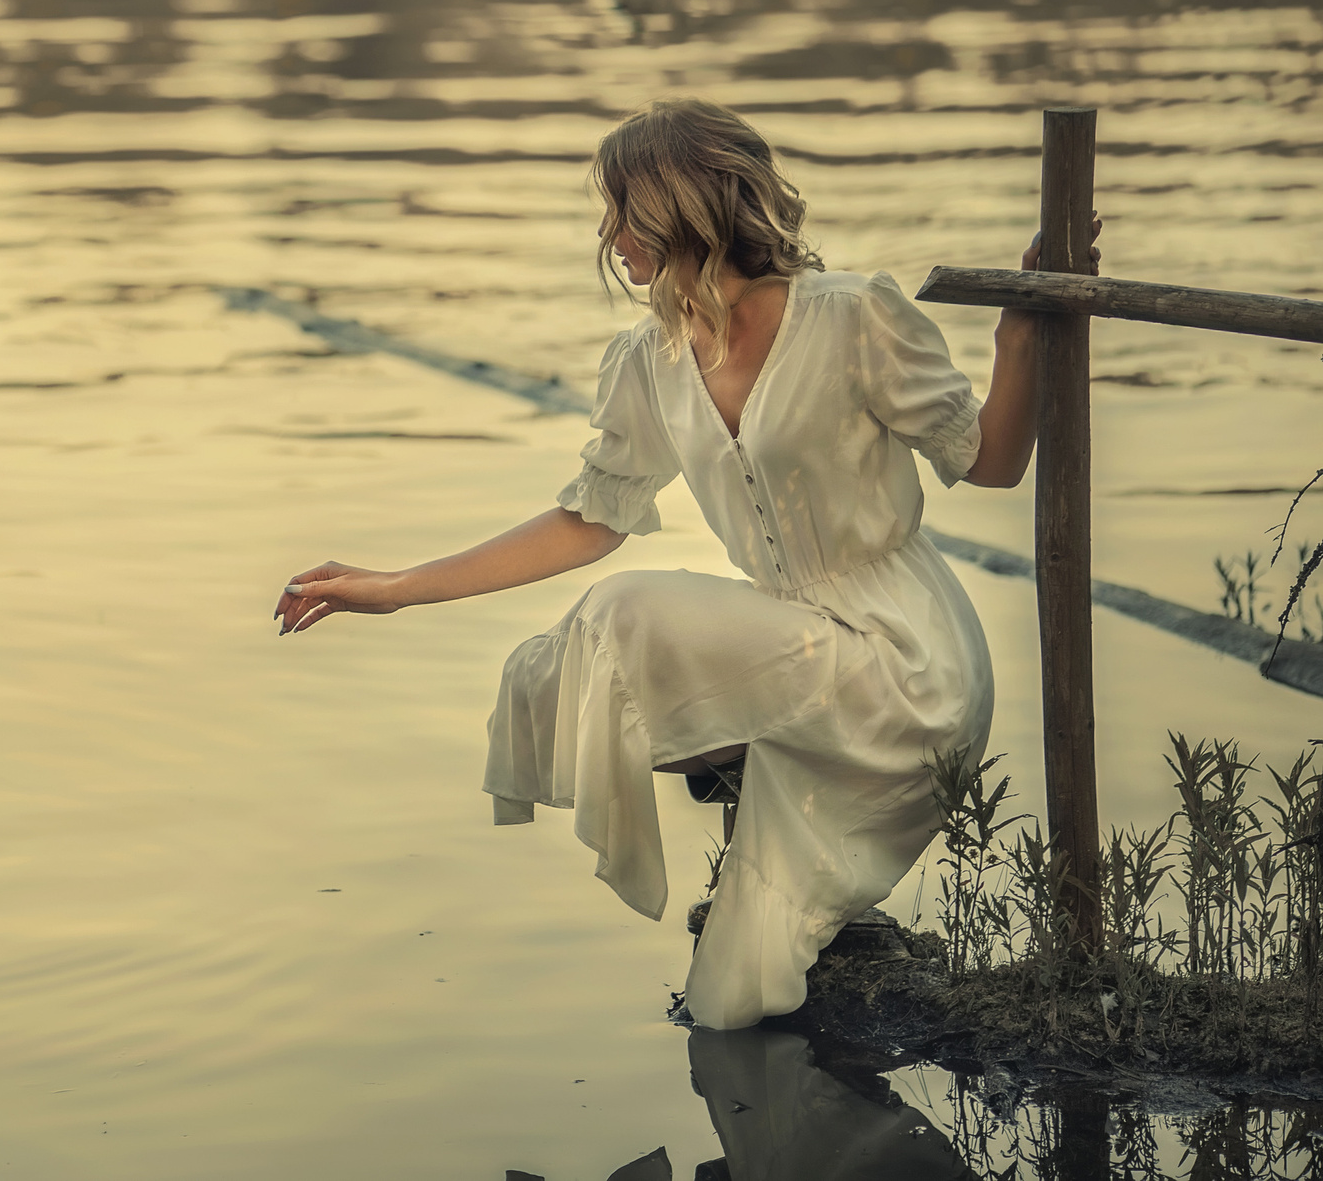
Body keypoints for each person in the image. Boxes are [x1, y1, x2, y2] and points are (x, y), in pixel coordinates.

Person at [273, 98, 1091, 1028]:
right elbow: (589, 519)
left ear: (681, 206)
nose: (609, 234)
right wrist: (394, 589)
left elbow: (992, 461)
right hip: (797, 656)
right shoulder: (650, 360)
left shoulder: (852, 316)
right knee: (731, 1001)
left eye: (622, 208)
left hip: (907, 661)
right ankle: (749, 775)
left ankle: (739, 754)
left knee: (625, 618)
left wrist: (1020, 332)